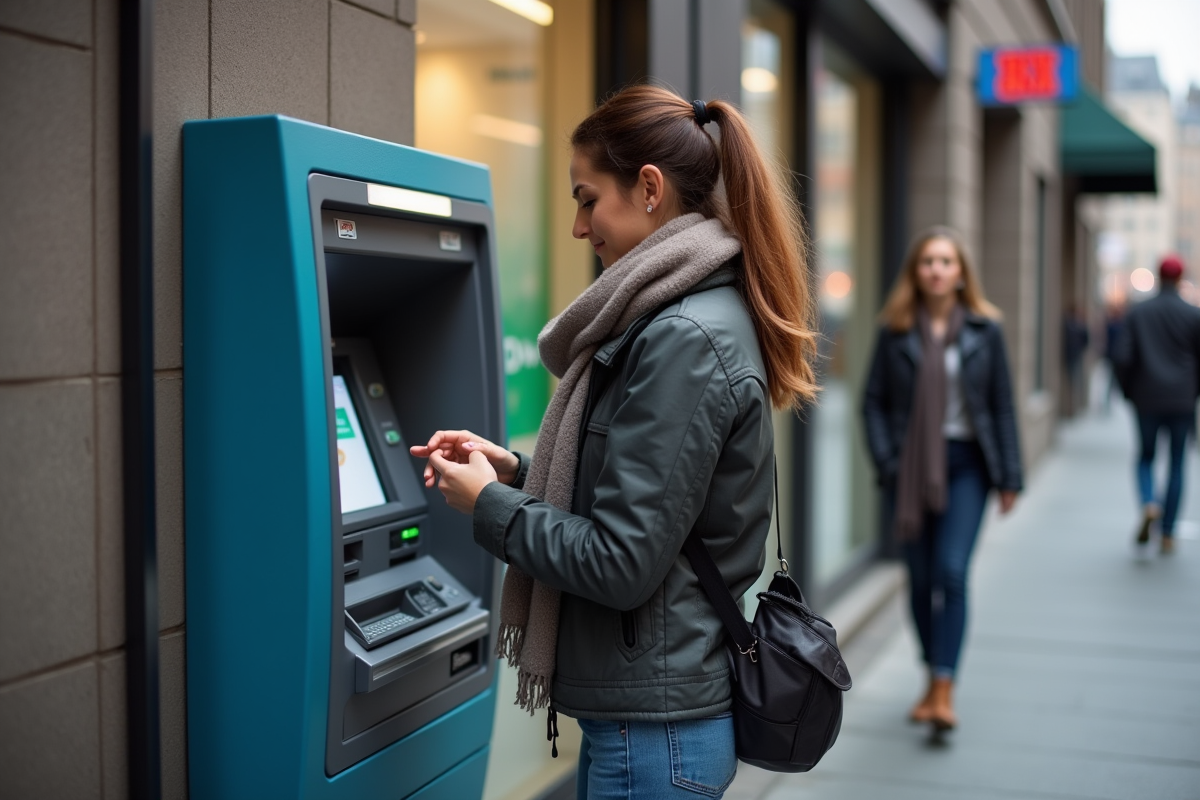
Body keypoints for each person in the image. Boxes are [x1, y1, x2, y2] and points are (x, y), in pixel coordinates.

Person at [410, 85, 819, 799]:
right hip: (648, 722)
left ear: (650, 189)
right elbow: (649, 497)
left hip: (654, 735)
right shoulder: (682, 316)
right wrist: (513, 470)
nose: (577, 225)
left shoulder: (683, 337)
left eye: (587, 197)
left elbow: (622, 560)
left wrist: (492, 507)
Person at [862, 227, 1022, 733]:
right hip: (908, 472)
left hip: (968, 466)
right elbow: (873, 404)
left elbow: (1000, 405)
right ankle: (932, 672)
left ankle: (944, 688)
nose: (936, 269)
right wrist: (888, 463)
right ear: (916, 272)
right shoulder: (895, 331)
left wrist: (1010, 476)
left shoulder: (984, 330)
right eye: (928, 261)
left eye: (945, 261)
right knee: (920, 580)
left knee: (951, 573)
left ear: (960, 274)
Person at [1112, 255, 1200, 555]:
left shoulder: (1139, 312)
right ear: (1180, 277)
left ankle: (1150, 502)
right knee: (1177, 463)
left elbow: (1122, 357)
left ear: (1157, 276)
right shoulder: (1193, 315)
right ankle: (1168, 533)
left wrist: (1128, 392)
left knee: (1146, 457)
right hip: (1182, 400)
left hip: (1147, 398)